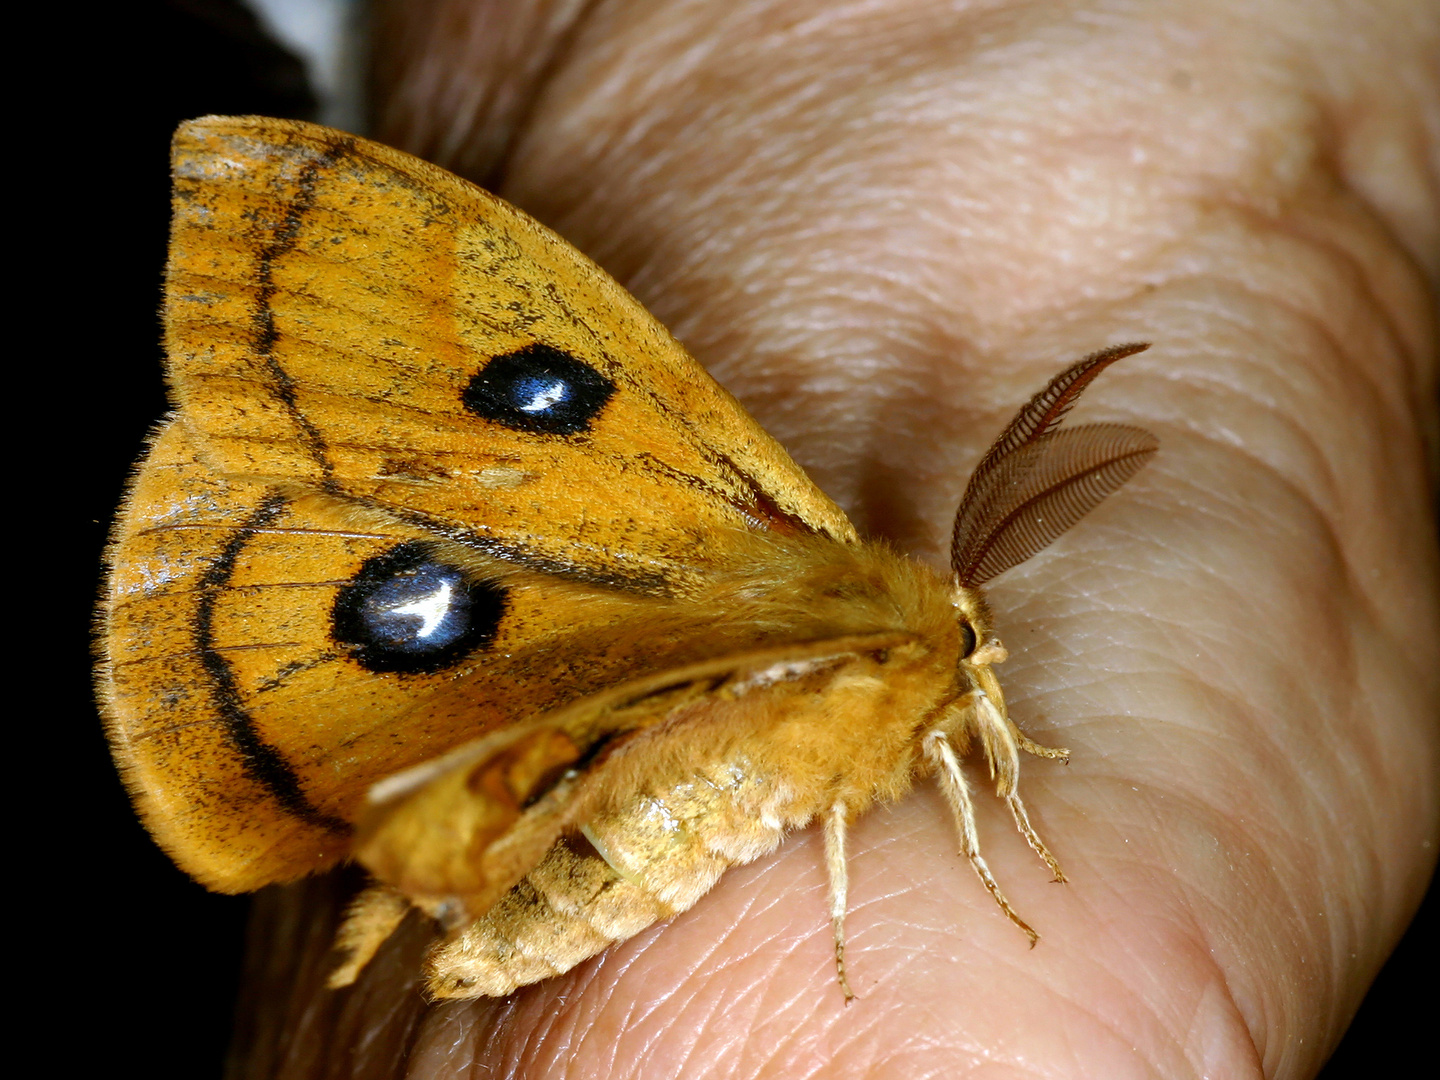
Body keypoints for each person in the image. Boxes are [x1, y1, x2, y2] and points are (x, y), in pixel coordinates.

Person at [232, 1, 1439, 1075]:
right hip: (582, 828)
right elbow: (967, 762)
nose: (987, 669)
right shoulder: (916, 666)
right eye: (973, 655)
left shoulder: (869, 618)